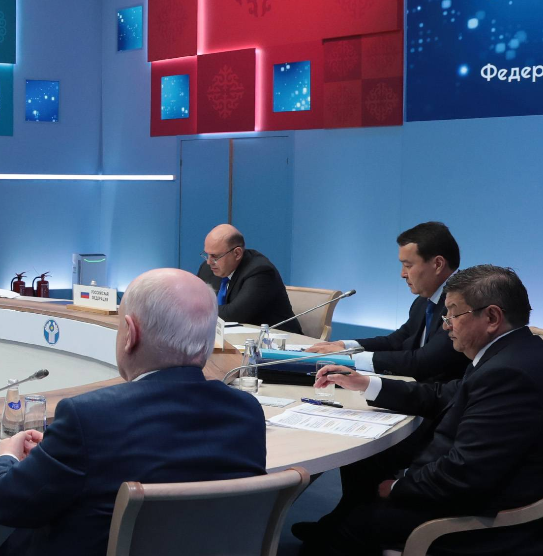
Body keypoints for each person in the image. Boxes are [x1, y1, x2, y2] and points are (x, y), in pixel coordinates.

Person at [0, 268, 267, 555]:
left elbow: (6, 502)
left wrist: (6, 456)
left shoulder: (89, 419)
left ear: (131, 333)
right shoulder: (247, 414)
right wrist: (58, 453)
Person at [301, 265, 543, 555]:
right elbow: (442, 394)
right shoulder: (512, 353)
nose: (446, 325)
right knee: (363, 486)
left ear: (492, 317)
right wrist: (365, 383)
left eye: (453, 314)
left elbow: (464, 474)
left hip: (482, 520)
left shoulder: (507, 374)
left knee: (351, 528)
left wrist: (398, 487)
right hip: (475, 489)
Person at [304, 221, 469, 383]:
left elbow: (424, 362)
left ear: (438, 264)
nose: (403, 274)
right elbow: (396, 341)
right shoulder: (423, 302)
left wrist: (350, 357)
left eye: (408, 265)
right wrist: (344, 346)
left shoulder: (462, 304)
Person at [194, 224, 293, 325]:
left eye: (215, 256)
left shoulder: (260, 271)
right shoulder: (207, 269)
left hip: (276, 334)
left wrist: (198, 311)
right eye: (207, 254)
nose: (209, 262)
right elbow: (193, 302)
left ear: (237, 253)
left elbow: (233, 316)